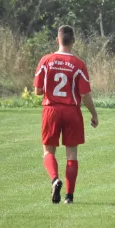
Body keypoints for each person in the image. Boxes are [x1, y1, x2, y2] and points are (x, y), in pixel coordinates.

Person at [33, 25, 99, 204]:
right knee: (72, 155)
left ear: (57, 40)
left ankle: (55, 179)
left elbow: (38, 90)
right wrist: (94, 114)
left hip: (51, 109)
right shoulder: (78, 64)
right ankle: (69, 197)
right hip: (72, 111)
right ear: (74, 41)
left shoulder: (46, 60)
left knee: (48, 151)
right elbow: (85, 94)